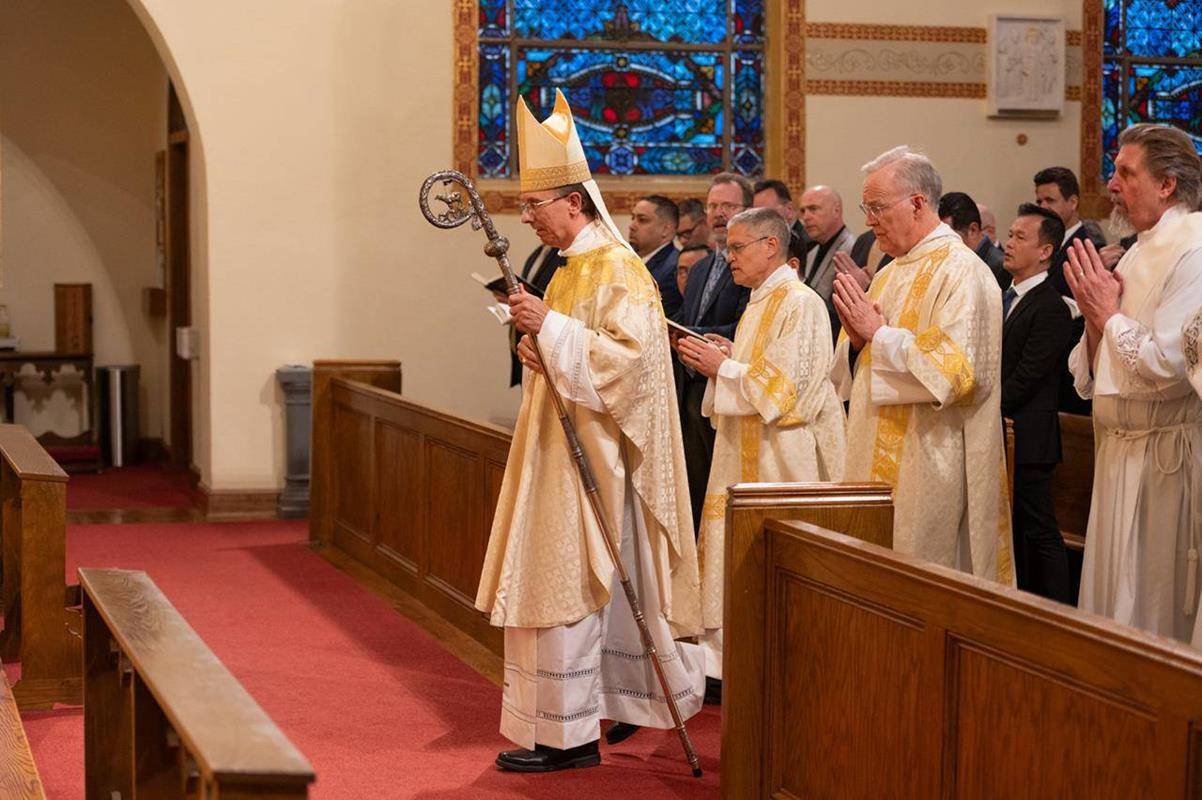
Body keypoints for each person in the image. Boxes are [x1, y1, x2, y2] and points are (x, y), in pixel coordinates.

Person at [477, 89, 704, 772]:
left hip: (595, 465)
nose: (526, 216)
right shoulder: (576, 268)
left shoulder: (619, 271)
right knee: (553, 586)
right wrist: (537, 345)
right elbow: (574, 349)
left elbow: (633, 366)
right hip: (556, 449)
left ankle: (571, 738)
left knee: (573, 585)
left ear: (574, 201)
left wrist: (552, 330)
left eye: (535, 205)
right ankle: (555, 728)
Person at [676, 207, 846, 687]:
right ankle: (724, 663)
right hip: (743, 452)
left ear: (772, 245)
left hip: (782, 458)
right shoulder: (757, 301)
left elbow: (784, 390)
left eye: (737, 247)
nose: (728, 258)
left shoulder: (799, 302)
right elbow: (761, 373)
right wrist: (728, 359)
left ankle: (764, 663)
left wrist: (721, 368)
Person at [831, 146, 1012, 582]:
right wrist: (856, 345)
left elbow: (958, 375)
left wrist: (878, 336)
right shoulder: (890, 272)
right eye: (865, 207)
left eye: (876, 207)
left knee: (921, 582)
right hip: (871, 457)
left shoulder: (962, 272)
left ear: (917, 203)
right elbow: (852, 371)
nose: (868, 219)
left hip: (931, 460)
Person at [1065, 123, 1202, 647]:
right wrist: (1098, 320)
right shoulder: (1140, 250)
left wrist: (1106, 312)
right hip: (1117, 456)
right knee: (1109, 605)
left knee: (1149, 608)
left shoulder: (1191, 249)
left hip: (1162, 462)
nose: (1113, 184)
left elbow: (1169, 365)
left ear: (1167, 184)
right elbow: (1098, 375)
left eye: (1126, 172)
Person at [1000, 204, 1075, 603]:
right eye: (1009, 235)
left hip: (1030, 436)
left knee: (1039, 528)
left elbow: (1028, 376)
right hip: (1006, 431)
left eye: (1019, 237)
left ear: (1045, 252)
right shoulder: (1005, 295)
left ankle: (1057, 610)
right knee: (1012, 528)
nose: (1008, 244)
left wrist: (988, 405)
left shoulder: (1050, 306)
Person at [672, 173, 753, 533]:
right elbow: (687, 318)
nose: (719, 214)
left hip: (728, 390)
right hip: (691, 387)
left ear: (748, 211)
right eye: (714, 206)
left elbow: (748, 327)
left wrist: (696, 339)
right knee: (694, 483)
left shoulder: (752, 266)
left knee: (718, 487)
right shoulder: (702, 264)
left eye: (729, 206)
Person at [1034, 166, 1108, 297]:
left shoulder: (1089, 247)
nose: (1043, 207)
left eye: (1050, 200)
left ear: (1073, 202)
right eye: (1039, 202)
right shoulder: (1039, 243)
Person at [798, 185, 856, 340]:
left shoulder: (852, 249)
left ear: (836, 211)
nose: (806, 217)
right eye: (802, 211)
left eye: (813, 209)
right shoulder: (811, 253)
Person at [506, 244, 566, 387]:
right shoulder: (537, 252)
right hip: (525, 347)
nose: (526, 220)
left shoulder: (562, 257)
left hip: (549, 353)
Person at [940, 191, 1010, 290]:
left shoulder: (1002, 268)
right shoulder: (950, 263)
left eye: (948, 236)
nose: (942, 244)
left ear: (973, 230)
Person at [628, 194, 683, 316]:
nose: (632, 226)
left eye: (642, 220)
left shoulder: (674, 267)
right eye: (633, 218)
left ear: (666, 230)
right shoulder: (633, 261)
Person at [754, 178, 811, 254]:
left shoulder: (807, 244)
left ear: (789, 209)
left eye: (768, 213)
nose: (760, 220)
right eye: (757, 214)